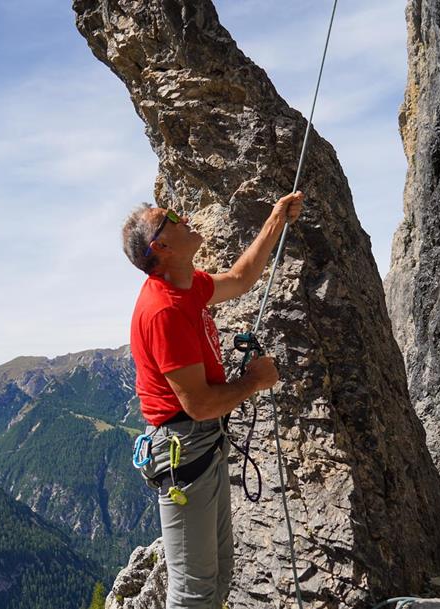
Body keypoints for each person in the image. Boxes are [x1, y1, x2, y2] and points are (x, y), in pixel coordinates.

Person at [122, 190, 304, 609]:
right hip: (185, 449)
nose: (182, 216)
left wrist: (276, 219)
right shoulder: (164, 310)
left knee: (218, 572)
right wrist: (253, 382)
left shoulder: (189, 287)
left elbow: (241, 278)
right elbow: (199, 404)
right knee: (192, 590)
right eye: (170, 217)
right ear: (161, 247)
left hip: (200, 445)